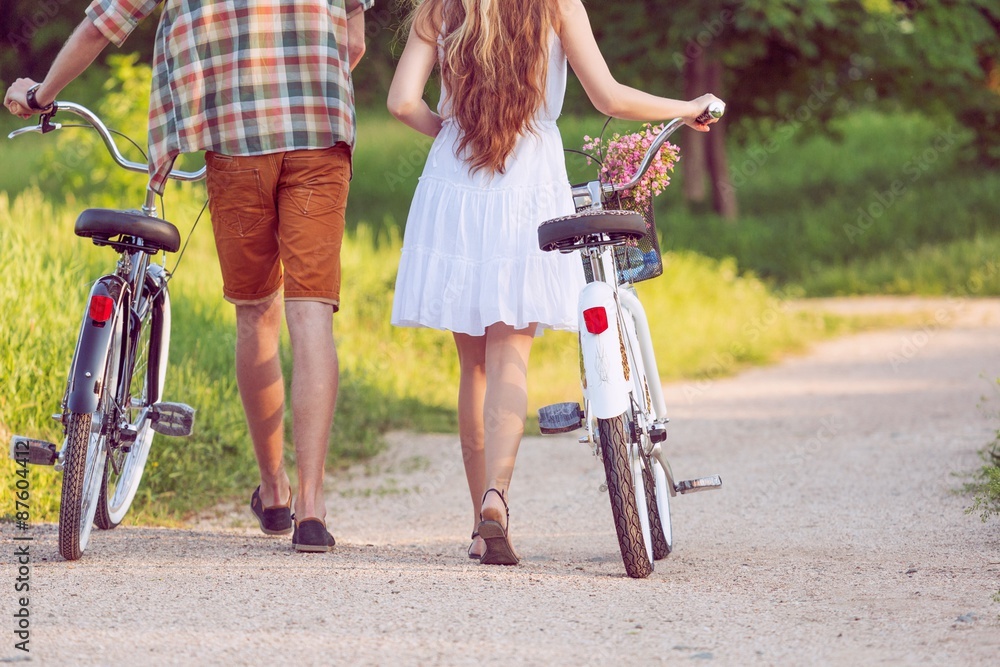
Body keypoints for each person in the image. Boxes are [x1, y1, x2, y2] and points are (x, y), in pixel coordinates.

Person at [3, 0, 374, 553]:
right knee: (311, 312)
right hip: (319, 137)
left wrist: (41, 93)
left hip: (236, 142)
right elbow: (355, 43)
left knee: (255, 311)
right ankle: (313, 512)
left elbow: (104, 24)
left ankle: (276, 494)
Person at [387, 0, 720, 565]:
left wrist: (449, 132)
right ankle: (498, 496)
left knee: (472, 366)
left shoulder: (441, 8)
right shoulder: (557, 5)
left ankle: (479, 524)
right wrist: (687, 108)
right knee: (511, 351)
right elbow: (608, 97)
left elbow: (399, 102)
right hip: (528, 179)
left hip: (455, 176)